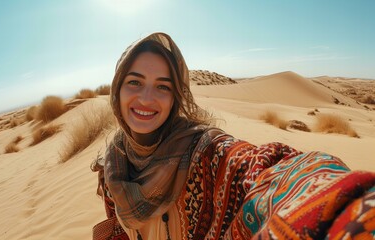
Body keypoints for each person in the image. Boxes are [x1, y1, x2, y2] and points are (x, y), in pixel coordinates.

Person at [91, 32, 375, 240]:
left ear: (176, 97)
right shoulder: (113, 163)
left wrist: (348, 206)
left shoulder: (205, 152)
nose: (146, 98)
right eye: (134, 82)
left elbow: (263, 169)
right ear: (117, 89)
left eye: (163, 87)